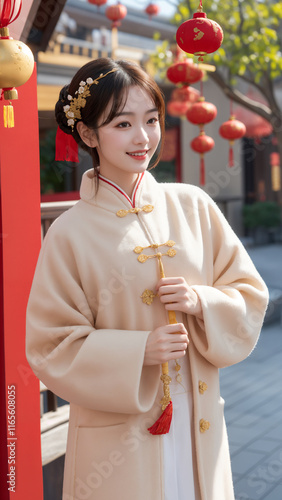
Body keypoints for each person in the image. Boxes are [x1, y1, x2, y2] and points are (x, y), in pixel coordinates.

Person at [26, 57, 268, 500]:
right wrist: (139, 350)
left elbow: (249, 294)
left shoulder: (193, 205)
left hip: (197, 420)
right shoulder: (68, 232)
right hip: (118, 437)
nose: (143, 138)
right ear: (87, 133)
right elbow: (50, 345)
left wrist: (202, 302)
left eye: (152, 120)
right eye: (122, 124)